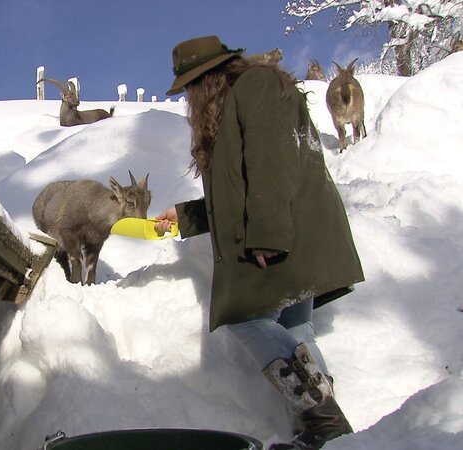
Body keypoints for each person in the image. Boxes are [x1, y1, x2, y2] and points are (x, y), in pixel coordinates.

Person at [155, 36, 365, 449]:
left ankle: (325, 422)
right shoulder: (238, 102)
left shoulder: (257, 88)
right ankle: (322, 432)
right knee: (295, 326)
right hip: (290, 228)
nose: (190, 100)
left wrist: (266, 235)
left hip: (283, 230)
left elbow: (274, 163)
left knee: (244, 317)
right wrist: (184, 216)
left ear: (207, 79)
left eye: (191, 89)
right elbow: (236, 191)